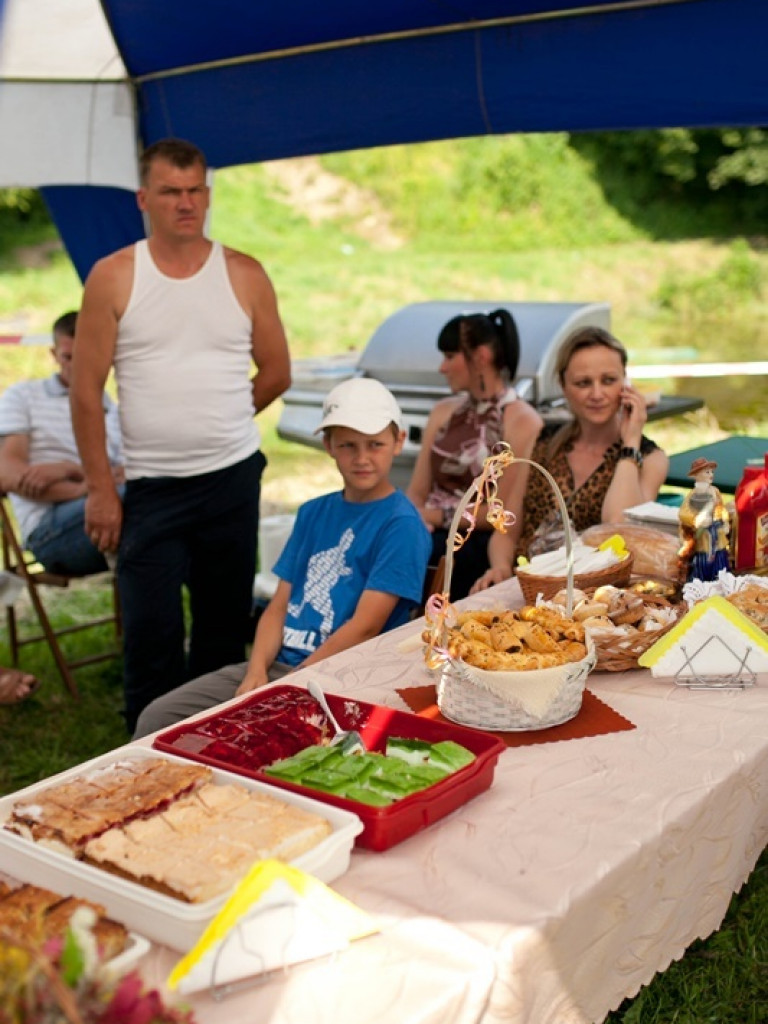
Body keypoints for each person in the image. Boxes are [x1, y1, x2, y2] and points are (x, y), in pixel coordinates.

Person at [70, 137, 292, 732]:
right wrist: (99, 490)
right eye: (171, 191)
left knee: (222, 630)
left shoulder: (243, 273)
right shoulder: (115, 276)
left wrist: (222, 413)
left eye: (196, 191)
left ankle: (215, 747)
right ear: (145, 198)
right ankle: (136, 760)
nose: (185, 203)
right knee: (150, 632)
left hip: (231, 479)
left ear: (208, 195)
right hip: (151, 486)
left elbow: (277, 371)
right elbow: (85, 390)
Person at [133, 377, 431, 738]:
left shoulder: (400, 524)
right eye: (348, 445)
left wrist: (294, 682)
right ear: (328, 445)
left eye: (375, 445)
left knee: (232, 738)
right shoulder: (313, 512)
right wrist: (257, 670)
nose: (362, 457)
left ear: (398, 442)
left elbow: (366, 626)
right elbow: (279, 605)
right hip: (280, 666)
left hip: (341, 677)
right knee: (157, 718)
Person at [473, 325, 669, 591]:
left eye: (609, 380)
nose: (597, 394)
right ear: (564, 387)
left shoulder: (650, 458)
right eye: (583, 383)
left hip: (592, 598)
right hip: (525, 588)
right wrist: (499, 567)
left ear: (626, 384)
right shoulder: (543, 442)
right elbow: (507, 528)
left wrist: (630, 443)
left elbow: (619, 527)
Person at [406, 309, 543, 600]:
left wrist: (432, 515)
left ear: (480, 357)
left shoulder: (522, 421)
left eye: (450, 356)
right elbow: (417, 489)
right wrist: (407, 518)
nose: (443, 367)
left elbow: (500, 512)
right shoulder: (443, 412)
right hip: (426, 528)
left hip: (473, 539)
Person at [0, 311, 123, 576]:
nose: (77, 366)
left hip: (107, 512)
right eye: (69, 357)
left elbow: (127, 475)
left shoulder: (112, 411)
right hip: (50, 530)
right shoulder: (23, 397)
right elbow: (8, 475)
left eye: (85, 357)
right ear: (54, 354)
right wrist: (90, 486)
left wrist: (72, 470)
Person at [677, 457, 730, 582]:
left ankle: (721, 584)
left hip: (718, 536)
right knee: (703, 566)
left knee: (720, 566)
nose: (711, 475)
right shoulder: (693, 495)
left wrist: (725, 522)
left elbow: (721, 508)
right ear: (696, 475)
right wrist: (697, 521)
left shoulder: (715, 491)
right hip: (704, 538)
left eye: (711, 472)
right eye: (707, 472)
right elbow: (684, 514)